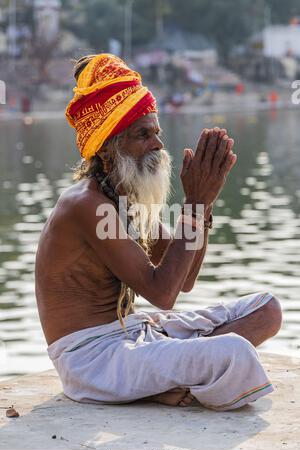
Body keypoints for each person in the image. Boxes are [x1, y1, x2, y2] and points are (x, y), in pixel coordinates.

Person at [35, 54, 282, 410]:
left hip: (134, 333)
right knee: (234, 352)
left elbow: (186, 278)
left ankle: (167, 378)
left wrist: (204, 205)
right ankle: (165, 379)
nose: (157, 145)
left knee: (266, 309)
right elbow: (163, 292)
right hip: (92, 358)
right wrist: (194, 204)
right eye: (143, 134)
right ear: (108, 149)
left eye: (157, 133)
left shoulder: (123, 198)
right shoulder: (86, 205)